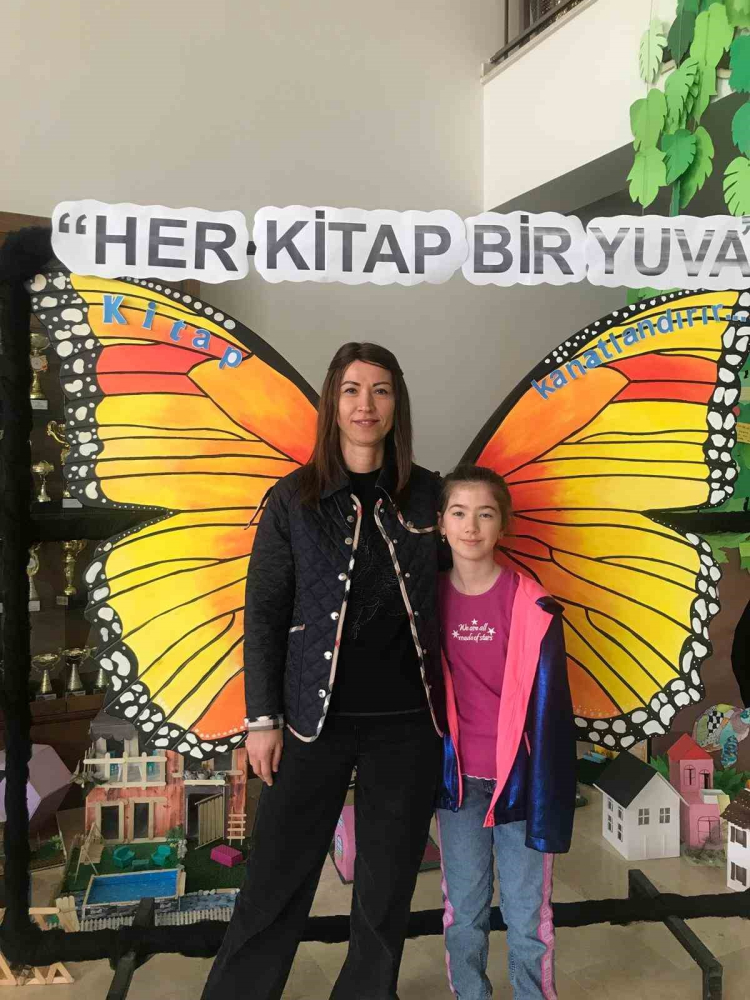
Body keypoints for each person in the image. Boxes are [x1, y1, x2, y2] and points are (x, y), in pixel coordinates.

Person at [201, 342, 446, 1000]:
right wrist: (261, 719)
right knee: (273, 881)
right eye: (351, 390)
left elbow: (464, 583)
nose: (366, 404)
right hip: (312, 722)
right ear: (332, 404)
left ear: (397, 405)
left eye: (381, 390)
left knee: (386, 889)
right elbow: (263, 612)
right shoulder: (294, 498)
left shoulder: (430, 494)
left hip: (409, 722)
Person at [435, 464, 576, 1000]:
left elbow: (552, 714)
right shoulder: (424, 602)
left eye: (485, 514)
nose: (471, 526)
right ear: (441, 523)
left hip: (521, 785)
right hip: (458, 786)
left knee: (527, 914)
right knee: (463, 910)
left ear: (503, 525)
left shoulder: (533, 605)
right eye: (459, 513)